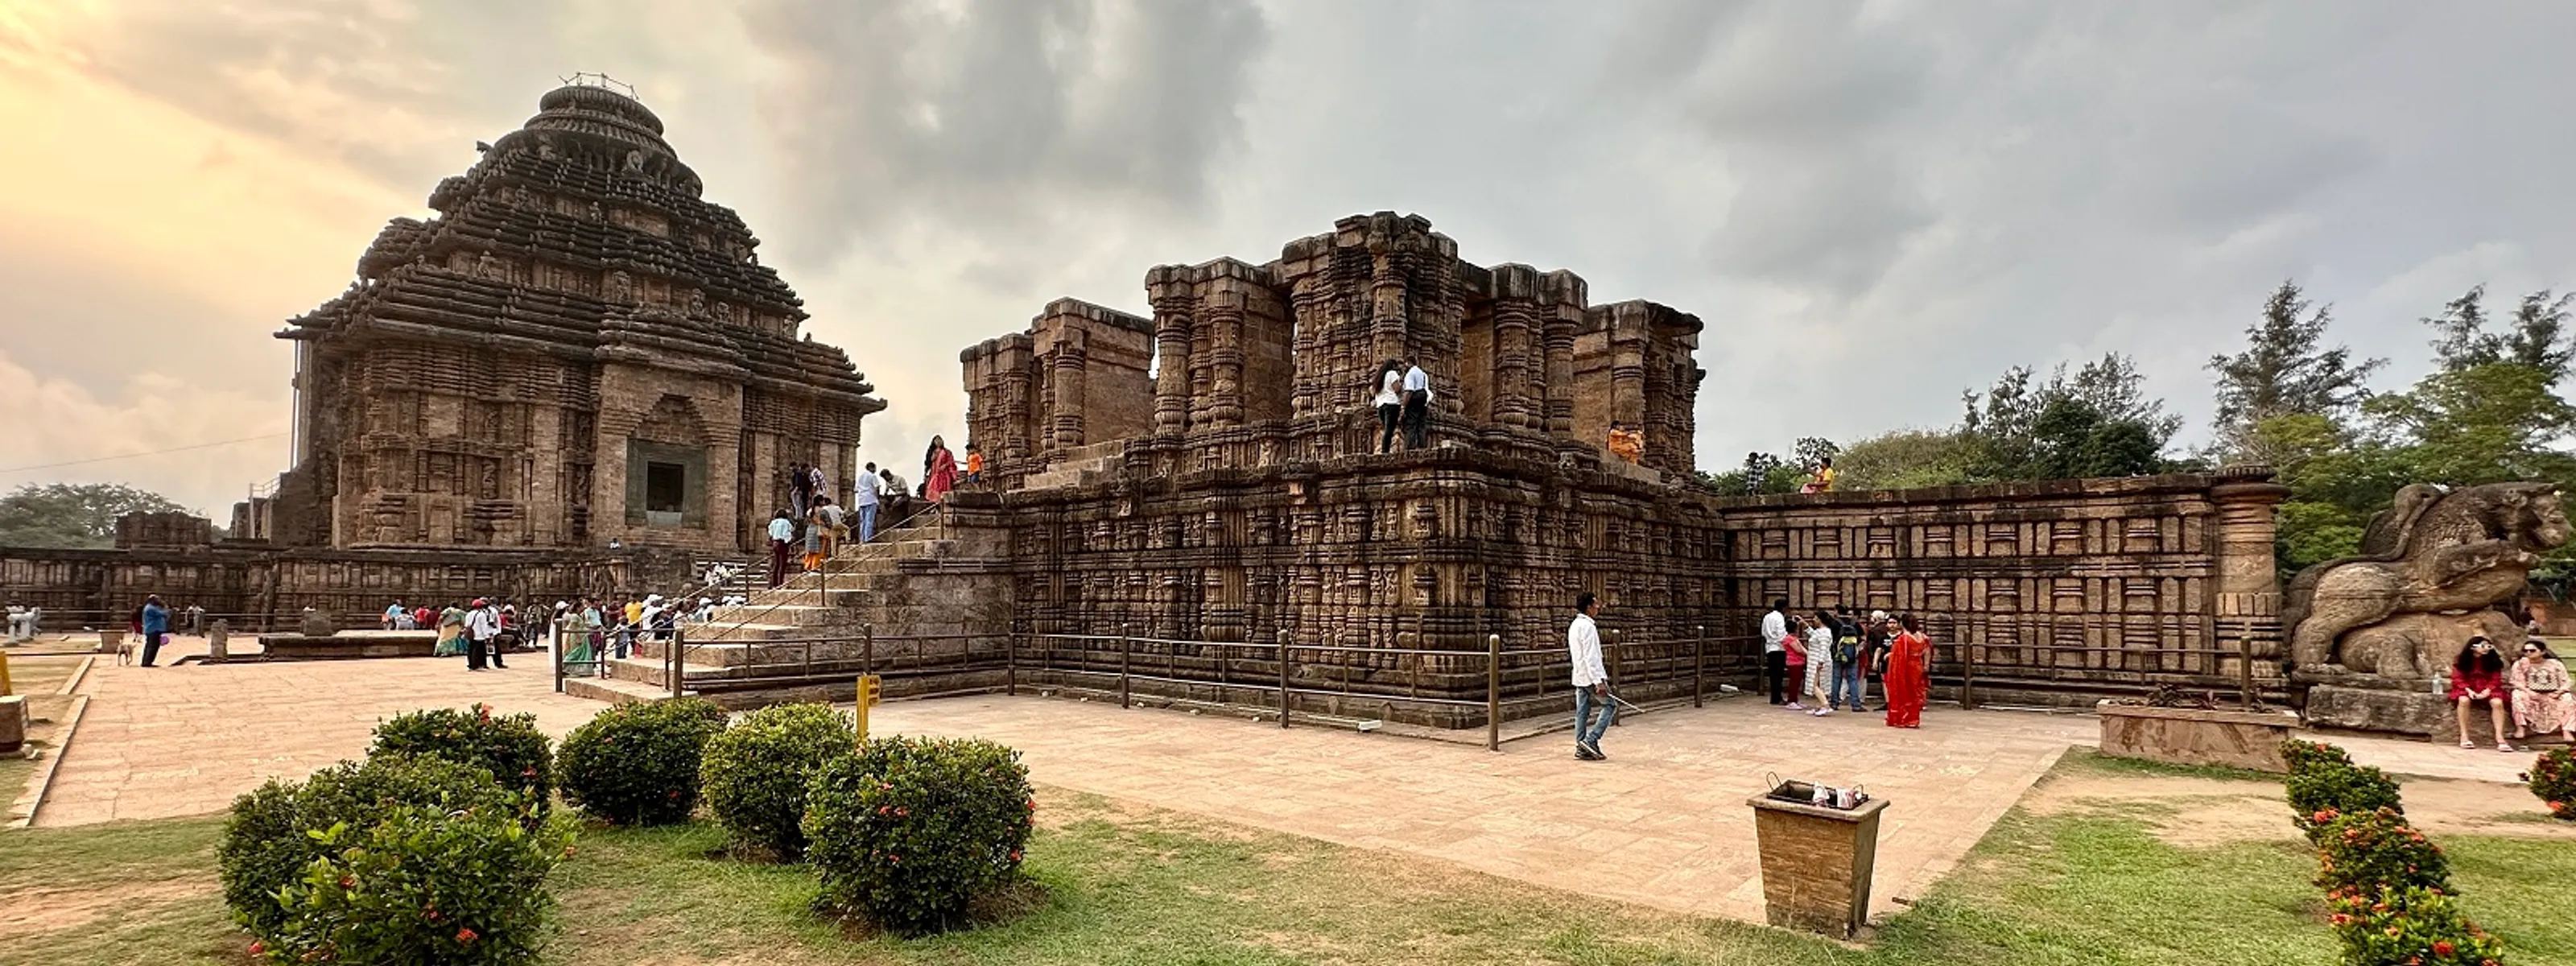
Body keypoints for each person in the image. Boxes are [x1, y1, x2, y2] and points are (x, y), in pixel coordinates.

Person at [1567, 592, 1614, 761]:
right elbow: (1591, 656)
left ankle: (1581, 746)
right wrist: (1599, 681)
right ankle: (1590, 740)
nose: (1598, 607)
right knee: (1610, 705)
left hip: (1579, 674)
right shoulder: (1588, 627)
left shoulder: (1575, 625)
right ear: (1588, 607)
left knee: (1582, 711)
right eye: (1595, 604)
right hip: (1589, 676)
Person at [2449, 637, 2512, 751]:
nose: (2486, 649)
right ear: (2473, 647)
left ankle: (2500, 737)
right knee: (2463, 700)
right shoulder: (2461, 659)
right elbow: (2457, 678)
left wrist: (2488, 690)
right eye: (2483, 646)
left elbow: (2496, 679)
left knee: (2497, 703)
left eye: (2489, 646)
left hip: (2487, 687)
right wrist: (2468, 690)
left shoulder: (2494, 660)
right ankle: (2464, 736)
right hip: (2468, 687)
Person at [2508, 640, 2574, 744]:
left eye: (2532, 650)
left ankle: (2567, 731)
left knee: (2568, 698)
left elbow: (2566, 681)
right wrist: (2529, 692)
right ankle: (2520, 728)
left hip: (2553, 693)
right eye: (2526, 651)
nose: (2528, 653)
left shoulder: (2555, 664)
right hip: (2531, 693)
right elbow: (2516, 681)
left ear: (2542, 652)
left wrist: (2559, 692)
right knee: (2517, 695)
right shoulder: (2520, 664)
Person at [1884, 614, 1930, 729]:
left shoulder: (1904, 639)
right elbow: (1927, 651)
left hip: (1906, 668)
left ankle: (1903, 718)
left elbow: (1901, 655)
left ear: (1902, 624)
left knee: (1904, 692)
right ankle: (1914, 719)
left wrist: (1890, 655)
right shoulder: (1922, 637)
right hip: (1918, 665)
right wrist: (1926, 665)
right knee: (1914, 693)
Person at [1830, 607, 1867, 712]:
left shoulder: (1834, 623)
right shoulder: (1855, 623)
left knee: (1837, 679)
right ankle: (1856, 704)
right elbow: (1863, 638)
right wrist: (1857, 650)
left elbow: (1830, 639)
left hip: (1838, 655)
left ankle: (1834, 703)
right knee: (1853, 679)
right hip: (1852, 656)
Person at [1802, 613, 1838, 716]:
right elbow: (1813, 634)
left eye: (1816, 618)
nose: (1814, 620)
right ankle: (1821, 705)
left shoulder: (1825, 633)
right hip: (1816, 660)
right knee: (1819, 685)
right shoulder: (1821, 632)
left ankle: (1826, 705)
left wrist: (1820, 662)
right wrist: (1804, 624)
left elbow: (1824, 648)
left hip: (1818, 661)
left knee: (1814, 685)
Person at [1761, 599, 1790, 706]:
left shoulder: (1767, 617)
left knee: (1773, 674)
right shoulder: (1779, 618)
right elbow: (1781, 634)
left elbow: (1763, 632)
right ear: (1784, 608)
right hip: (1779, 648)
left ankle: (1774, 697)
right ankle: (1778, 697)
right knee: (1779, 674)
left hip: (1769, 647)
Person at [1400, 357, 1433, 450]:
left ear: (1409, 363)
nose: (1404, 367)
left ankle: (1410, 447)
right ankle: (1422, 446)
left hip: (1414, 398)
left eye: (1405, 364)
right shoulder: (1423, 374)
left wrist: (1403, 406)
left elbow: (1409, 391)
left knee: (1411, 424)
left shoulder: (1410, 374)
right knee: (1421, 424)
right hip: (1423, 399)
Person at [1373, 361, 1404, 454]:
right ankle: (1385, 451)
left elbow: (1372, 391)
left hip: (1380, 406)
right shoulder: (1392, 373)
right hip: (1391, 404)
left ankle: (1385, 449)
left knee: (1386, 429)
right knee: (1389, 430)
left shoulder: (1379, 377)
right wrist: (1402, 384)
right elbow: (1397, 388)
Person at [138, 594, 171, 667]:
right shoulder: (151, 609)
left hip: (153, 629)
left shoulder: (152, 607)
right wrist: (165, 607)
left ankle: (147, 661)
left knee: (151, 646)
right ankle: (147, 662)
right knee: (152, 646)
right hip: (153, 629)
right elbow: (163, 613)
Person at [766, 510, 796, 588]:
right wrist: (789, 540)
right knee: (782, 564)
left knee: (776, 564)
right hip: (782, 543)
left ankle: (774, 583)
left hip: (775, 543)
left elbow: (770, 532)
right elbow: (787, 533)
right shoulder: (786, 522)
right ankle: (780, 582)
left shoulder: (773, 522)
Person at [924, 436, 959, 502]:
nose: (938, 442)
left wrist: (945, 465)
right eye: (936, 441)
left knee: (943, 490)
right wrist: (933, 457)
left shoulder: (947, 452)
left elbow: (951, 461)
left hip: (944, 474)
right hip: (935, 473)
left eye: (940, 440)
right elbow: (928, 462)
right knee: (933, 488)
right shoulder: (933, 452)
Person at [854, 461, 881, 543]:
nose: (875, 470)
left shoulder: (860, 477)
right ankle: (868, 538)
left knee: (863, 521)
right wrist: (877, 498)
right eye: (875, 468)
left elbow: (855, 490)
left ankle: (862, 539)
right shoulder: (872, 476)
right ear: (871, 468)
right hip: (871, 499)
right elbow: (876, 488)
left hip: (861, 500)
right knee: (870, 520)